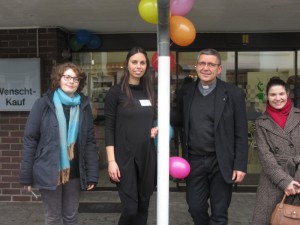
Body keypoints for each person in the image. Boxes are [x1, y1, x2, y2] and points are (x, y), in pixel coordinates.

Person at [172, 48, 248, 225]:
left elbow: (241, 133)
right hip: (194, 161)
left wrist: (240, 165)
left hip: (221, 162)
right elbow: (177, 120)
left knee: (220, 212)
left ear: (219, 69)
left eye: (211, 64)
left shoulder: (234, 94)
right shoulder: (186, 92)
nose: (206, 68)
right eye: (202, 63)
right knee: (195, 207)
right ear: (196, 66)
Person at [19, 62, 99, 225]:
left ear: (80, 83)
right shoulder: (43, 104)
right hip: (49, 169)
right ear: (58, 79)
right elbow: (30, 139)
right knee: (53, 217)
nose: (71, 81)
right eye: (67, 77)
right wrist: (26, 176)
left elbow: (90, 142)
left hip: (75, 171)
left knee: (71, 216)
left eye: (76, 79)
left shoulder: (83, 106)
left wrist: (92, 174)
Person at [104, 46, 157, 225]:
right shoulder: (115, 93)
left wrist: (156, 127)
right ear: (127, 65)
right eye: (134, 62)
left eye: (142, 62)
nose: (138, 66)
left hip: (147, 156)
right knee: (130, 209)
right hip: (124, 158)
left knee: (143, 208)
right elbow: (109, 129)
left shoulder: (150, 91)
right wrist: (111, 161)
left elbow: (157, 119)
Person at [251, 77, 300, 225]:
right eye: (273, 95)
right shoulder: (261, 122)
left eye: (281, 94)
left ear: (287, 94)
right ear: (267, 96)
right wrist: (285, 182)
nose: (277, 98)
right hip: (272, 181)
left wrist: (296, 182)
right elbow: (265, 156)